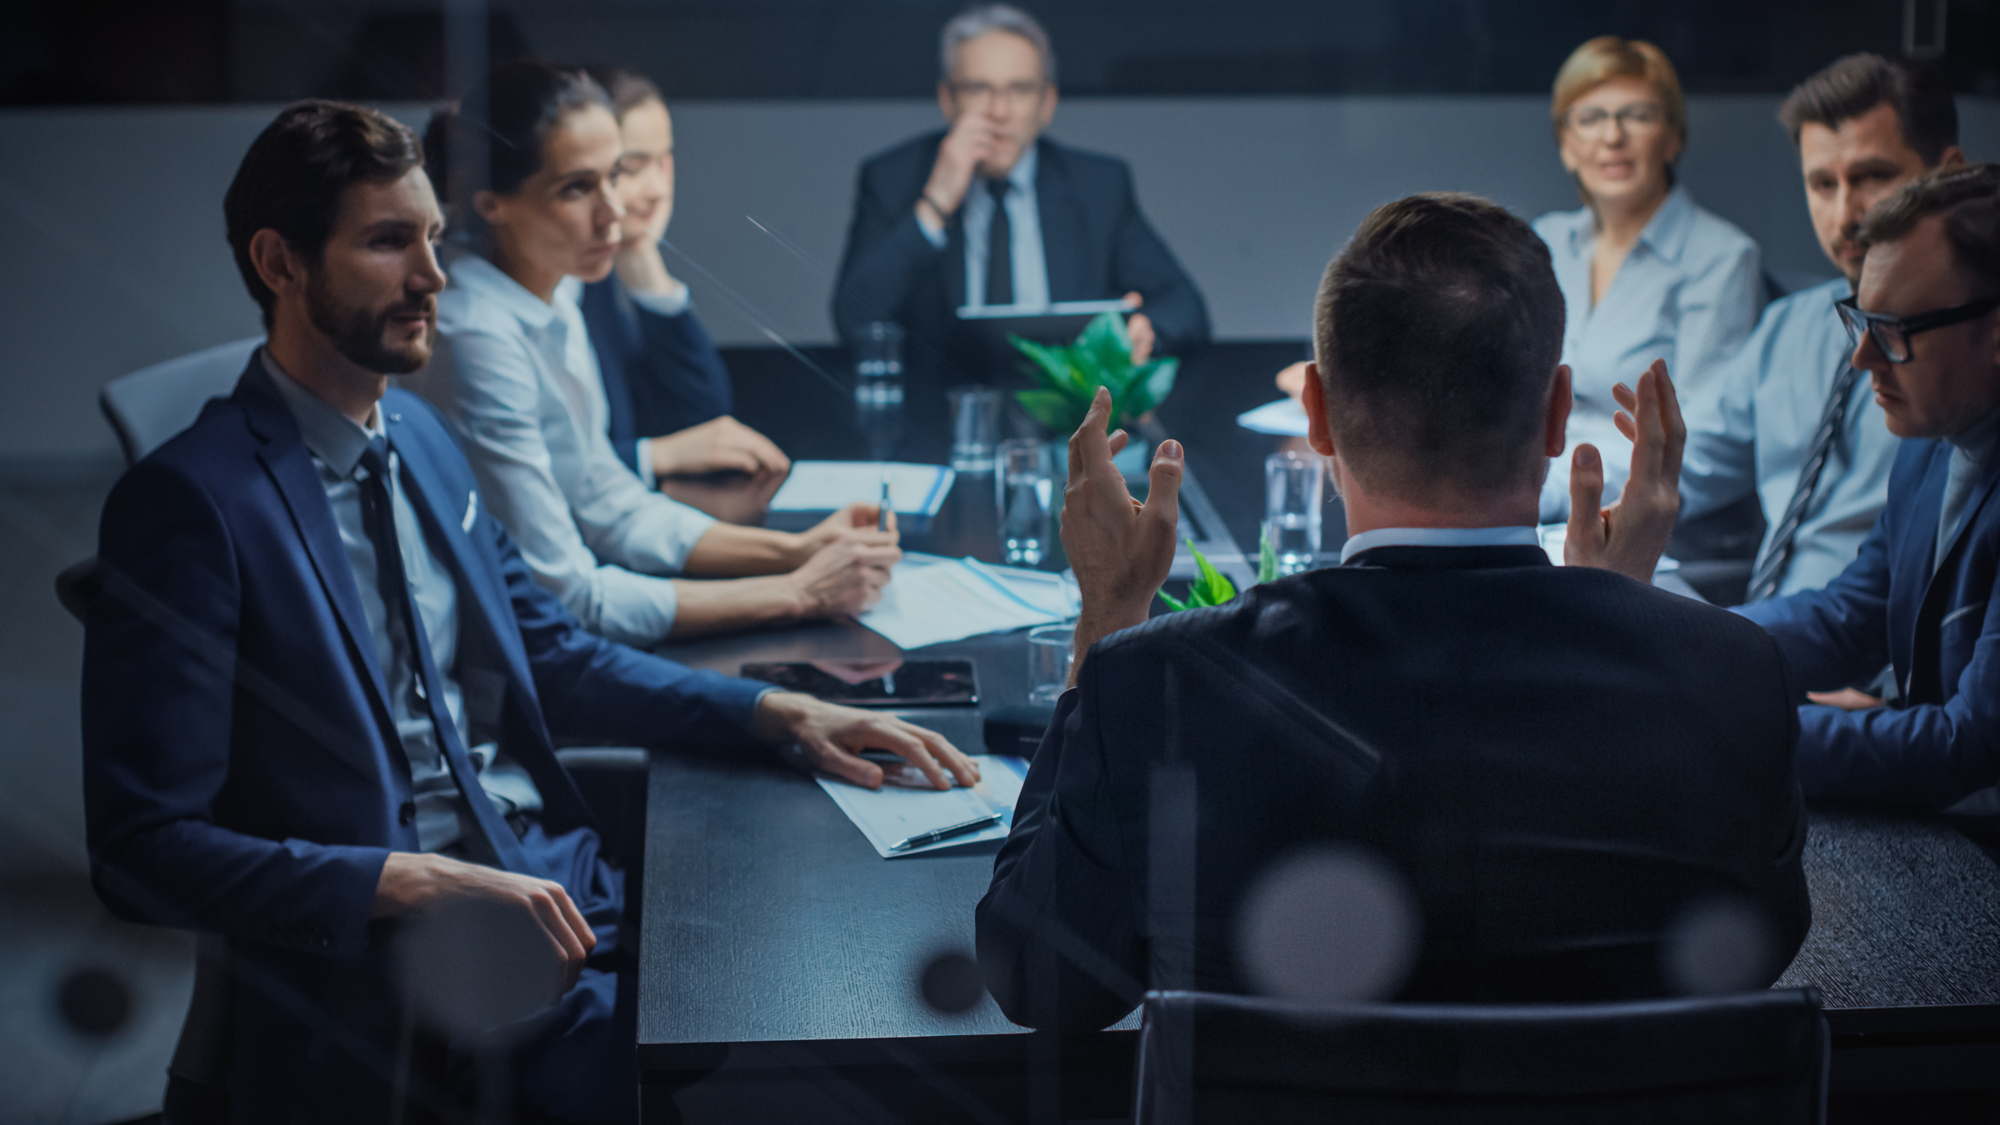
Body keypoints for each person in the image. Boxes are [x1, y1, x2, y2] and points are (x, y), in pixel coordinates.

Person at [81, 99, 977, 1122]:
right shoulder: (189, 506)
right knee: (789, 1063)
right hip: (399, 966)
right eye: (387, 243)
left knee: (818, 959)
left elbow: (547, 653)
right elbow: (140, 854)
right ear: (280, 263)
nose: (432, 277)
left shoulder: (415, 432)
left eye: (431, 238)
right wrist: (405, 882)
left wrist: (779, 714)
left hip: (547, 878)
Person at [976, 193, 1810, 1031]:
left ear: (1317, 414)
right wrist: (1624, 612)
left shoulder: (1156, 687)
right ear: (1559, 414)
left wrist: (1107, 619)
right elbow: (1753, 951)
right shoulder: (1733, 674)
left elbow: (1037, 976)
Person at [406, 62, 898, 646]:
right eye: (576, 188)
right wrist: (801, 591)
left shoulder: (554, 285)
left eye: (615, 174)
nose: (613, 211)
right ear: (492, 203)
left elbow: (606, 498)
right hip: (489, 665)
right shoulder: (474, 336)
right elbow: (566, 599)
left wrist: (795, 550)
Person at [1738, 164, 2000, 813]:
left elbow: (1970, 744)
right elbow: (1852, 617)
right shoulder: (1928, 443)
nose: (1862, 361)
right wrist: (1679, 645)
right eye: (1862, 320)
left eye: (1895, 332)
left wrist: (1727, 729)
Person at [1679, 55, 1961, 606]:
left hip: (1874, 661)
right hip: (1779, 636)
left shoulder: (1966, 348)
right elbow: (1687, 460)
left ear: (1946, 174)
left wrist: (1887, 676)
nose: (1844, 214)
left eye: (1873, 177)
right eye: (1822, 184)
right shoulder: (1788, 327)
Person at [831, 4, 1209, 395]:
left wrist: (1142, 332)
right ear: (947, 100)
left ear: (1047, 103)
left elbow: (1185, 308)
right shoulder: (894, 178)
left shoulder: (1097, 186)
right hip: (939, 421)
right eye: (978, 89)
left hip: (1067, 420)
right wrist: (936, 203)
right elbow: (853, 320)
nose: (999, 112)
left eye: (1019, 90)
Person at [577, 64, 787, 490]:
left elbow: (703, 420)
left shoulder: (600, 283)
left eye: (663, 162)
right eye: (633, 168)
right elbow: (559, 465)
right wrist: (659, 455)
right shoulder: (565, 287)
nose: (657, 188)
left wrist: (643, 258)